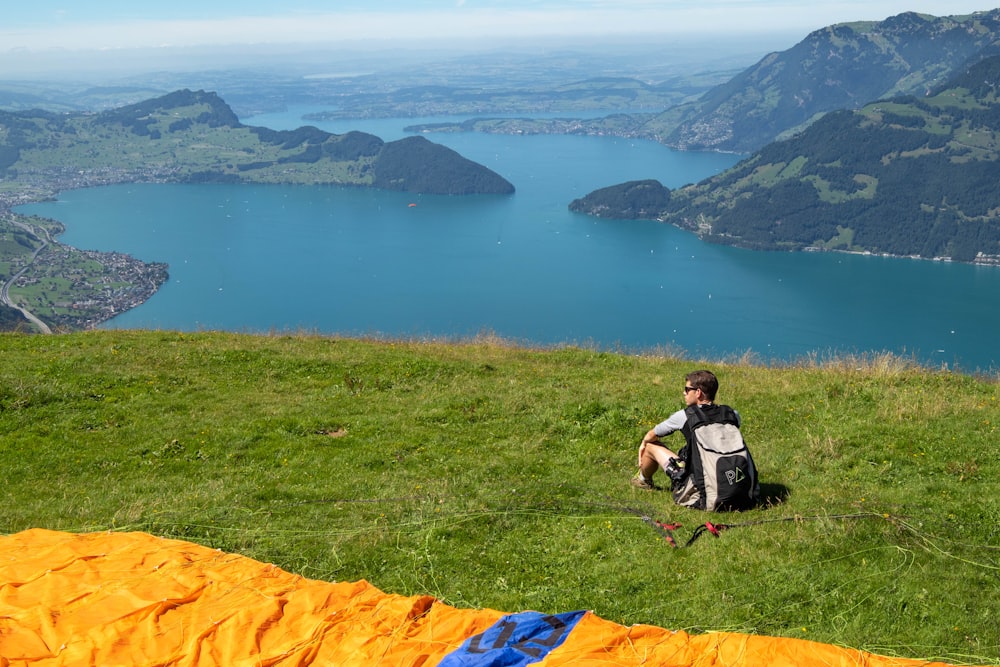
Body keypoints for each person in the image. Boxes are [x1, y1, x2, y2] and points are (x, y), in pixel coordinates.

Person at [631, 369, 738, 491]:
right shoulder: (732, 414)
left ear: (698, 392)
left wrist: (643, 444)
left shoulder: (685, 416)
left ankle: (643, 481)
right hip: (732, 477)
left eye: (687, 389)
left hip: (702, 484)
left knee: (651, 446)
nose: (684, 393)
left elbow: (653, 433)